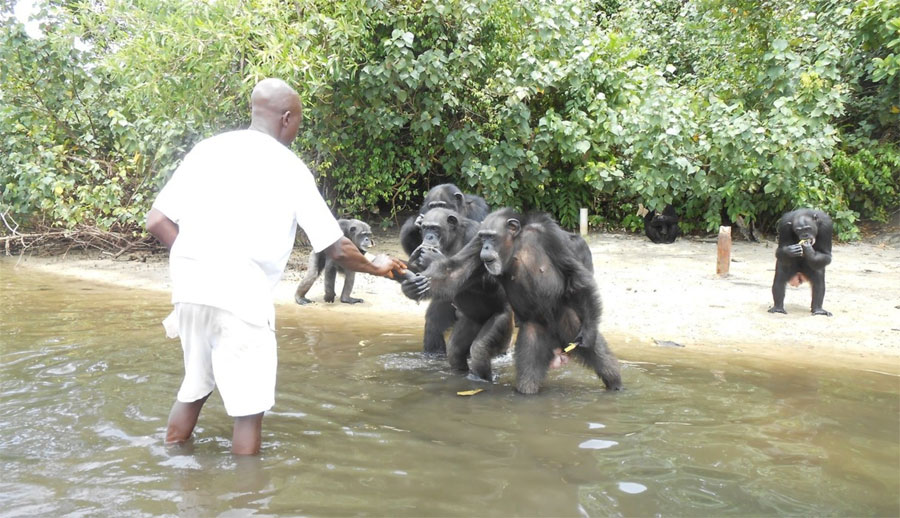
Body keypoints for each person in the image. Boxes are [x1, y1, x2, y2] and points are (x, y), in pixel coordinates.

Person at [146, 78, 405, 455]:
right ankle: (248, 500)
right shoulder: (290, 167)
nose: (297, 130)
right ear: (286, 118)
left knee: (195, 387)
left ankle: (175, 471)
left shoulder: (207, 150)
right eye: (298, 121)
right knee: (249, 414)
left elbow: (156, 220)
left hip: (189, 287)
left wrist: (200, 258)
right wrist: (375, 266)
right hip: (241, 296)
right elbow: (335, 248)